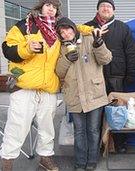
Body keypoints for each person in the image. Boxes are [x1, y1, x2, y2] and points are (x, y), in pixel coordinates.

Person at [0, 0, 63, 171]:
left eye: (55, 6)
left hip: (48, 88)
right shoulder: (24, 26)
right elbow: (7, 49)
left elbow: (77, 30)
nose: (51, 8)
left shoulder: (59, 29)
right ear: (40, 6)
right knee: (17, 127)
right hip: (24, 86)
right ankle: (7, 163)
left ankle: (45, 157)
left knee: (47, 128)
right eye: (48, 4)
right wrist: (27, 48)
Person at [55, 17, 112, 171]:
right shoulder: (59, 48)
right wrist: (66, 59)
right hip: (74, 95)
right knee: (79, 131)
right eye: (62, 32)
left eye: (67, 29)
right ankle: (80, 162)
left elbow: (106, 59)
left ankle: (92, 160)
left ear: (74, 28)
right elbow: (58, 72)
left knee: (93, 130)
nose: (66, 34)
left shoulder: (89, 38)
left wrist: (99, 45)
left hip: (94, 93)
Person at [85, 0, 135, 153]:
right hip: (93, 77)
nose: (105, 8)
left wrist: (130, 73)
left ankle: (119, 144)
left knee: (117, 111)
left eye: (109, 6)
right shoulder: (88, 27)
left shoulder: (123, 28)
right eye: (102, 6)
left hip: (116, 76)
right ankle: (98, 146)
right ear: (97, 9)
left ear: (114, 10)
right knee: (96, 113)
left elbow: (130, 52)